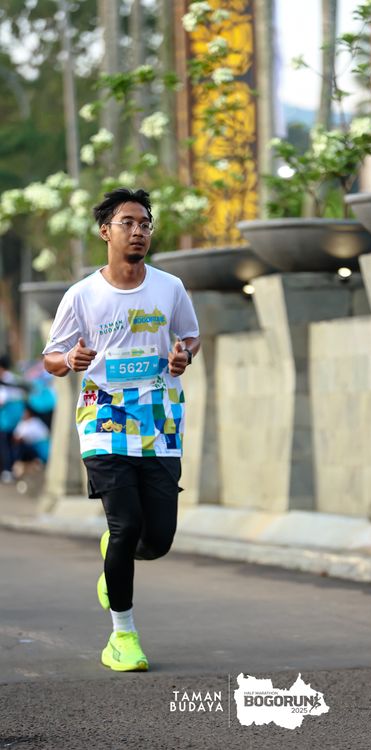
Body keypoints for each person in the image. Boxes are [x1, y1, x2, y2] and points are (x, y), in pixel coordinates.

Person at [43, 188, 200, 672]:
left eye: (145, 224)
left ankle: (115, 554)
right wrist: (70, 359)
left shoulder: (170, 288)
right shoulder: (82, 295)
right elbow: (51, 358)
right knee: (125, 524)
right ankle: (122, 637)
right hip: (104, 419)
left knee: (158, 539)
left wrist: (183, 355)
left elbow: (190, 336)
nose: (138, 232)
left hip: (159, 421)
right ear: (105, 232)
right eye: (127, 223)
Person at [0, 354, 26, 483]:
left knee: (6, 446)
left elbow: (2, 400)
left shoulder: (6, 380)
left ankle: (8, 470)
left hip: (7, 421)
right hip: (15, 419)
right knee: (12, 446)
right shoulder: (13, 378)